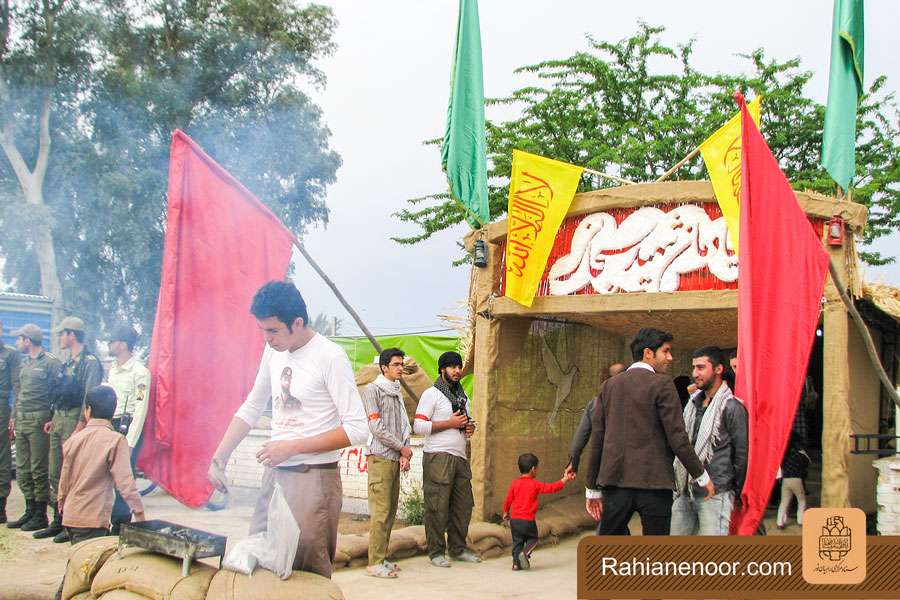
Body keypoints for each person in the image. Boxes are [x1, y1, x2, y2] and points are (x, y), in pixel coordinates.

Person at [207, 281, 368, 579]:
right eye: (262, 331)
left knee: (306, 569)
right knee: (263, 558)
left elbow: (358, 429)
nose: (267, 339)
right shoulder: (273, 354)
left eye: (273, 331)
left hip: (314, 478)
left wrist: (291, 447)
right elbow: (252, 406)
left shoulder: (329, 356)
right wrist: (220, 456)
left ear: (297, 322)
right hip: (275, 476)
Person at [584, 328, 713, 535]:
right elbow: (677, 437)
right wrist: (701, 476)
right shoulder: (663, 384)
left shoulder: (609, 386)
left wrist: (592, 488)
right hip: (655, 484)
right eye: (666, 351)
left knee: (607, 554)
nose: (670, 358)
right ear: (648, 353)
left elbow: (598, 438)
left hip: (615, 484)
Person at [54, 385, 145, 600]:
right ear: (113, 413)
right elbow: (125, 483)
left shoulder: (74, 440)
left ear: (88, 410)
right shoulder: (115, 440)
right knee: (80, 574)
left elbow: (64, 479)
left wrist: (61, 503)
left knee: (79, 566)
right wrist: (139, 513)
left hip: (71, 514)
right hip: (93, 517)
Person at [35, 316, 102, 542]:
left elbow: (89, 397)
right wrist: (54, 417)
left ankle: (70, 523)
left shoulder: (89, 362)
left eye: (62, 333)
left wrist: (81, 426)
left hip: (76, 420)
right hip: (61, 420)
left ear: (72, 334)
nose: (60, 337)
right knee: (56, 471)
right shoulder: (68, 361)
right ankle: (58, 518)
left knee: (72, 473)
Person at [671, 346, 748, 535]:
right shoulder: (692, 404)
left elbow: (742, 455)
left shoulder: (732, 407)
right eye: (694, 368)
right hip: (684, 490)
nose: (695, 373)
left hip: (716, 494)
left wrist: (734, 492)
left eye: (701, 367)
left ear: (718, 369)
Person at [413, 351, 480, 567]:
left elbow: (464, 423)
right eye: (452, 367)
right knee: (437, 505)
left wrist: (469, 427)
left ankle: (458, 549)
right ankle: (435, 552)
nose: (457, 371)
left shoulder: (463, 397)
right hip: (438, 456)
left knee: (462, 505)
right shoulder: (431, 394)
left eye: (459, 367)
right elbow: (419, 426)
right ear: (442, 369)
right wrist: (449, 424)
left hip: (460, 457)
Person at [362, 348, 412, 578]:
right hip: (380, 457)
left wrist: (404, 452)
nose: (401, 368)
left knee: (391, 511)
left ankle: (382, 556)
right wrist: (400, 447)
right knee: (380, 512)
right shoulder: (373, 390)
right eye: (396, 364)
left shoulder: (396, 391)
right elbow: (376, 427)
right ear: (384, 367)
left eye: (402, 364)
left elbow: (403, 423)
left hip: (394, 457)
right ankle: (374, 563)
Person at [7, 323, 62, 532]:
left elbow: (60, 392)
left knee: (38, 469)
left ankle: (40, 514)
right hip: (21, 419)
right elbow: (19, 394)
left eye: (19, 339)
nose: (17, 342)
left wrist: (54, 417)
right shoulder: (25, 364)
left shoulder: (50, 363)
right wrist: (13, 417)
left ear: (28, 340)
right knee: (22, 468)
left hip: (40, 421)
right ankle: (29, 510)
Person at [106, 323, 151, 533]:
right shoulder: (113, 370)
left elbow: (141, 408)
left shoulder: (140, 372)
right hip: (112, 425)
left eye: (113, 340)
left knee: (123, 477)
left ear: (123, 344)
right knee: (108, 476)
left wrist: (131, 441)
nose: (109, 344)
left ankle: (121, 523)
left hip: (128, 425)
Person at [502, 453, 574, 571]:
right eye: (537, 468)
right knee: (533, 539)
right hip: (528, 520)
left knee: (517, 542)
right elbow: (552, 488)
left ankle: (515, 564)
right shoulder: (535, 484)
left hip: (514, 520)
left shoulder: (515, 483)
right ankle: (525, 554)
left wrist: (505, 512)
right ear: (533, 469)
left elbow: (508, 499)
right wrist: (565, 479)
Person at [565, 362, 625, 478]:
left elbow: (580, 437)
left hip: (603, 468)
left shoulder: (595, 404)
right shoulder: (637, 402)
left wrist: (573, 462)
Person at [776, 377, 815, 529]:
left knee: (784, 500)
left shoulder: (784, 456)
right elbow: (807, 463)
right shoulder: (802, 455)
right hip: (798, 477)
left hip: (785, 478)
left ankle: (780, 522)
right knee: (801, 499)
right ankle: (800, 521)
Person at [0, 322, 21, 524]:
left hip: (1, 409)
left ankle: (0, 507)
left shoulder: (10, 355)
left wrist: (14, 414)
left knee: (3, 456)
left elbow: (17, 385)